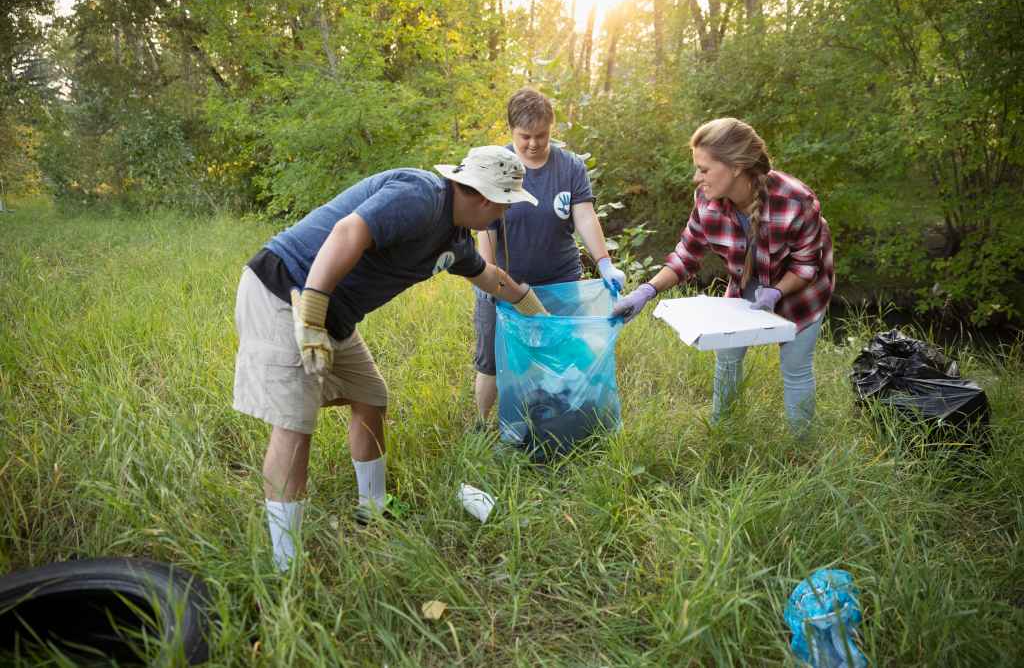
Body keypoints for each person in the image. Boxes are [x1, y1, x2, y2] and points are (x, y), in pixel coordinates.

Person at [233, 146, 546, 572]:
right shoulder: (420, 195)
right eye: (504, 208)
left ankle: (373, 505)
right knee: (294, 423)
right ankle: (285, 564)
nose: (502, 218)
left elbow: (490, 277)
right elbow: (348, 232)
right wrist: (312, 310)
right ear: (489, 200)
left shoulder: (455, 240)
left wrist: (535, 309)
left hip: (335, 314)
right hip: (286, 291)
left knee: (371, 397)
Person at [612, 117, 834, 435]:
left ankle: (803, 445)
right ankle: (723, 431)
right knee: (727, 358)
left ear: (737, 166)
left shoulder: (796, 202)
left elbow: (805, 268)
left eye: (704, 169)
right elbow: (686, 255)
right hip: (746, 286)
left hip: (801, 292)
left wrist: (776, 293)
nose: (696, 178)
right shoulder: (707, 201)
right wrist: (646, 291)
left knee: (796, 368)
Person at [472, 87, 625, 423]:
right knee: (493, 361)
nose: (533, 143)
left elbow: (584, 215)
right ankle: (482, 426)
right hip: (504, 283)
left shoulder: (569, 166)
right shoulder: (498, 165)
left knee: (561, 354)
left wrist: (604, 262)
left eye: (541, 135)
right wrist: (487, 276)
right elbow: (485, 226)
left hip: (560, 281)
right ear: (511, 130)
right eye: (525, 136)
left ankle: (555, 421)